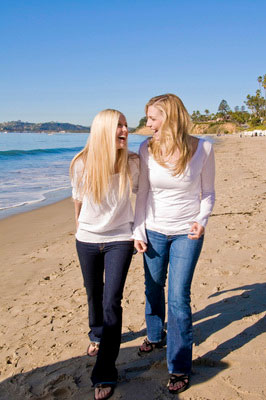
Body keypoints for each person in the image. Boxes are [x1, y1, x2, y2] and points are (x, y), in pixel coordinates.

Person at [133, 94, 215, 394]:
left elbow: (208, 193)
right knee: (153, 286)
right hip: (153, 230)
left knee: (178, 296)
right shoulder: (146, 148)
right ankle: (155, 335)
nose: (148, 124)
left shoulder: (203, 147)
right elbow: (141, 193)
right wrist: (138, 230)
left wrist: (202, 220)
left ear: (169, 117)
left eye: (152, 118)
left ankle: (179, 366)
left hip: (186, 233)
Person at [70, 109, 139, 400]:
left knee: (112, 301)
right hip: (87, 239)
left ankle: (105, 372)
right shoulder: (81, 164)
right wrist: (81, 231)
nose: (126, 129)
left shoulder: (134, 162)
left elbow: (147, 195)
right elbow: (78, 202)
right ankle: (96, 334)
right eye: (119, 126)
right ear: (103, 131)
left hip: (121, 238)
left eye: (126, 124)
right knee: (93, 294)